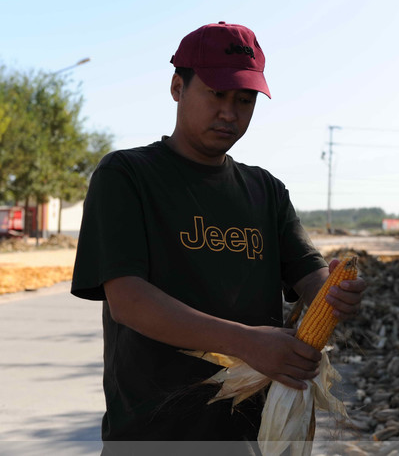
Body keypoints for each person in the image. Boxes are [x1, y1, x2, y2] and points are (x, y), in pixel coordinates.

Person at [71, 22, 366, 446]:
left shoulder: (265, 190)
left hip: (252, 436)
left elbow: (310, 274)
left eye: (244, 100)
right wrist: (246, 342)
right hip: (152, 436)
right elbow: (128, 301)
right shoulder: (127, 176)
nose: (230, 112)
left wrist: (336, 292)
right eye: (217, 94)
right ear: (177, 87)